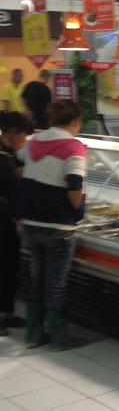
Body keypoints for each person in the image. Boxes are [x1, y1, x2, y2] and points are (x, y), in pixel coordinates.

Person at [18, 99, 87, 351]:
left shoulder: (34, 140)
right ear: (76, 121)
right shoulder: (73, 146)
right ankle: (59, 338)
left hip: (31, 221)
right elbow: (75, 185)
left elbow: (19, 163)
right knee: (55, 283)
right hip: (58, 225)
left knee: (38, 280)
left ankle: (33, 335)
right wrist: (79, 212)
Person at [0, 112, 32, 336]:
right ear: (14, 132)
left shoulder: (9, 154)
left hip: (7, 221)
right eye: (24, 136)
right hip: (2, 220)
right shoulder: (2, 158)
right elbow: (14, 187)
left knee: (10, 266)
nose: (25, 141)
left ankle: (8, 313)